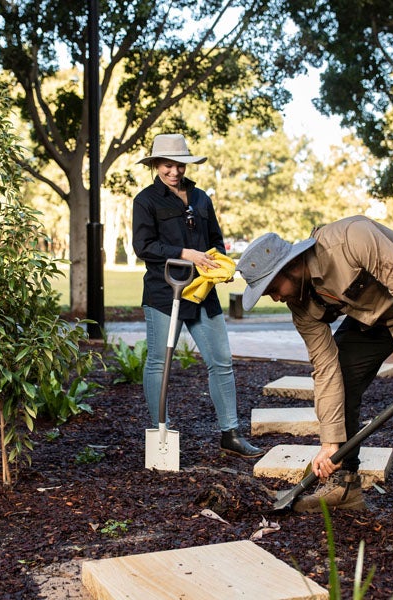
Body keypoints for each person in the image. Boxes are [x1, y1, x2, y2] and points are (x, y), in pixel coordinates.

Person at [236, 216, 393, 522]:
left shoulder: (351, 239)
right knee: (343, 376)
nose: (275, 297)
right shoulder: (299, 305)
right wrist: (330, 444)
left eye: (273, 287)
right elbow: (325, 369)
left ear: (292, 266)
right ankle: (345, 484)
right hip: (377, 314)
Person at [132, 133, 263, 459]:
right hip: (165, 293)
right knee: (160, 364)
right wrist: (185, 253)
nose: (173, 171)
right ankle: (160, 429)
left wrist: (219, 264)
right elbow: (143, 247)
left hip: (202, 293)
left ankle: (230, 434)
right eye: (166, 165)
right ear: (155, 165)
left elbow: (216, 242)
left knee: (221, 362)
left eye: (179, 165)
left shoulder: (201, 198)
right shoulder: (146, 201)